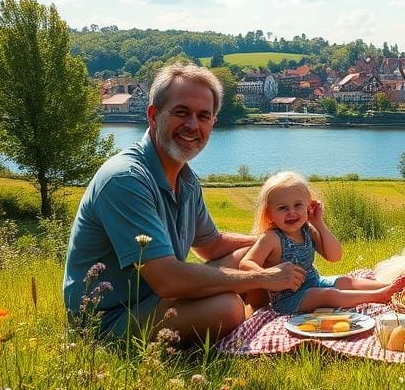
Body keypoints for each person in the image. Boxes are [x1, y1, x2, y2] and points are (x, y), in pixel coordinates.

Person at [63, 64, 306, 343]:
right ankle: (249, 321)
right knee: (227, 307)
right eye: (181, 112)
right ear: (153, 116)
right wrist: (262, 278)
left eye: (203, 116)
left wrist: (278, 239)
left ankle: (259, 317)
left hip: (157, 300)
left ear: (212, 122)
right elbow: (168, 280)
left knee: (253, 252)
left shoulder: (185, 179)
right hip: (108, 319)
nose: (192, 125)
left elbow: (211, 245)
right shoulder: (125, 179)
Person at [240, 171, 405, 313]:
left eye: (298, 205)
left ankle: (394, 287)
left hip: (315, 283)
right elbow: (246, 264)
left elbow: (335, 256)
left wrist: (319, 223)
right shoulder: (271, 238)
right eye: (282, 208)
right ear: (269, 214)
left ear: (308, 206)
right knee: (328, 295)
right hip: (289, 299)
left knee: (345, 281)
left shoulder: (308, 230)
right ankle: (380, 295)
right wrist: (268, 275)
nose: (291, 212)